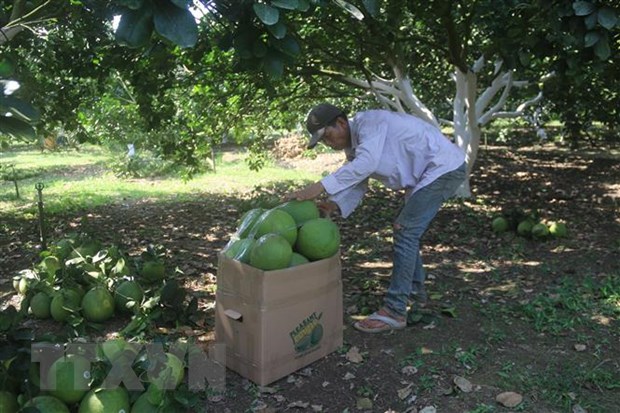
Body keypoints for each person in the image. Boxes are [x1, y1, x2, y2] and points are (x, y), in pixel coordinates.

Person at [286, 103, 466, 333]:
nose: (328, 144)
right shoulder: (356, 147)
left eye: (328, 136)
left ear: (341, 123)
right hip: (427, 174)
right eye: (322, 141)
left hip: (443, 168)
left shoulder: (369, 123)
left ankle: (395, 310)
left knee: (405, 230)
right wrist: (333, 204)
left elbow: (366, 165)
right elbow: (359, 179)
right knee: (407, 232)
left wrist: (318, 187)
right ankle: (416, 295)